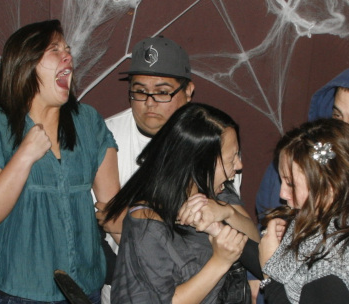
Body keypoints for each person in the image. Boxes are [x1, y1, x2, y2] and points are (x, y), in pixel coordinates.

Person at [0, 20, 119, 303]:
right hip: (19, 295)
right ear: (25, 65)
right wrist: (25, 154)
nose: (68, 56)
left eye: (67, 49)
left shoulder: (88, 123)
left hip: (85, 293)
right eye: (54, 49)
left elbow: (113, 210)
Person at [95, 36, 255, 303]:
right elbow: (111, 221)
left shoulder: (212, 139)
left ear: (188, 90)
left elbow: (247, 235)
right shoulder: (106, 136)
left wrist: (222, 215)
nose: (149, 101)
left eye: (162, 91)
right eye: (139, 90)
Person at [104, 102, 262, 303]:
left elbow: (256, 245)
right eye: (231, 159)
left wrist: (227, 212)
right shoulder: (147, 222)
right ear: (198, 163)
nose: (239, 166)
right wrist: (220, 261)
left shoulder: (218, 192)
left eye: (238, 155)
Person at [253, 69, 349, 303]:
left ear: (328, 190)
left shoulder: (332, 268)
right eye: (337, 116)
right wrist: (222, 226)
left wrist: (268, 274)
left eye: (291, 185)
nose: (282, 193)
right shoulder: (318, 214)